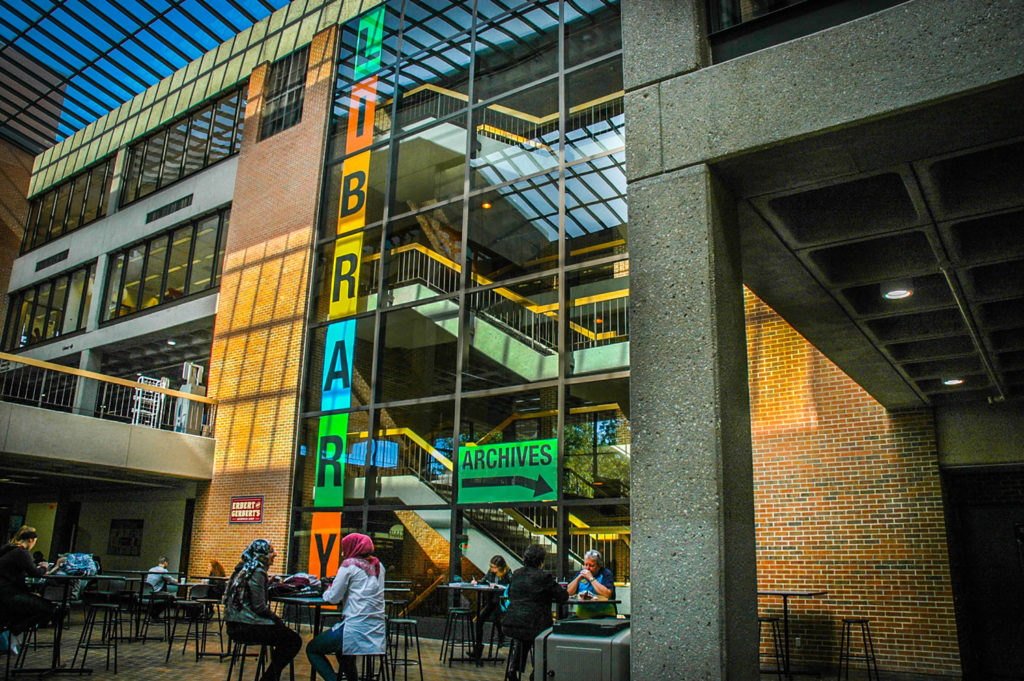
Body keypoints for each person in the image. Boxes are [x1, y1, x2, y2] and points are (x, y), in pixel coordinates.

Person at [307, 533, 385, 681]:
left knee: (312, 649)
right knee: (342, 651)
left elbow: (334, 598)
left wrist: (326, 591)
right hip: (376, 629)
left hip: (355, 626)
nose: (343, 552)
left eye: (344, 548)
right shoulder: (379, 566)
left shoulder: (349, 566)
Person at [223, 539, 301, 681]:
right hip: (247, 626)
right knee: (293, 640)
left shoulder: (243, 568)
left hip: (234, 625)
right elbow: (259, 607)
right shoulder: (258, 571)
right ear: (262, 555)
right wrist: (277, 619)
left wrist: (266, 584)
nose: (275, 554)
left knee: (284, 636)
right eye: (271, 551)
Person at [501, 545, 567, 681]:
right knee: (541, 635)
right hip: (535, 625)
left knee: (523, 636)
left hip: (511, 622)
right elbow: (563, 596)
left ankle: (514, 669)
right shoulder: (544, 577)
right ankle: (537, 673)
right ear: (541, 561)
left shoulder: (516, 574)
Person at [0, 526, 64, 654]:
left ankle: (13, 630)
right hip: (9, 594)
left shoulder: (8, 550)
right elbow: (35, 573)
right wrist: (46, 567)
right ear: (31, 540)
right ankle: (14, 631)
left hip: (4, 592)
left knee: (30, 606)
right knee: (51, 609)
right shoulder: (21, 552)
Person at [470, 554, 511, 660]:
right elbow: (483, 581)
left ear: (501, 567)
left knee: (497, 616)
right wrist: (476, 582)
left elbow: (511, 587)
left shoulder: (508, 574)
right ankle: (478, 648)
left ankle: (501, 635)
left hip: (503, 602)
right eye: (491, 567)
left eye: (494, 567)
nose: (492, 569)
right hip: (492, 602)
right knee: (479, 621)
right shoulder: (490, 573)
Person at [566, 549, 616, 619]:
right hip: (583, 614)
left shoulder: (606, 574)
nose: (587, 568)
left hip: (603, 614)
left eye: (591, 566)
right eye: (586, 565)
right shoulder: (580, 573)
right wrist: (578, 579)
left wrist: (591, 578)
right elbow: (567, 593)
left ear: (599, 566)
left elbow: (607, 594)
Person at [146, 556, 177, 620]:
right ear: (165, 563)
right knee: (170, 598)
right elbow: (171, 580)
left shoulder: (151, 569)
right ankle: (155, 614)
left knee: (163, 596)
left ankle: (153, 612)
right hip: (155, 593)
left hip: (147, 592)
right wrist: (176, 580)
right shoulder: (163, 571)